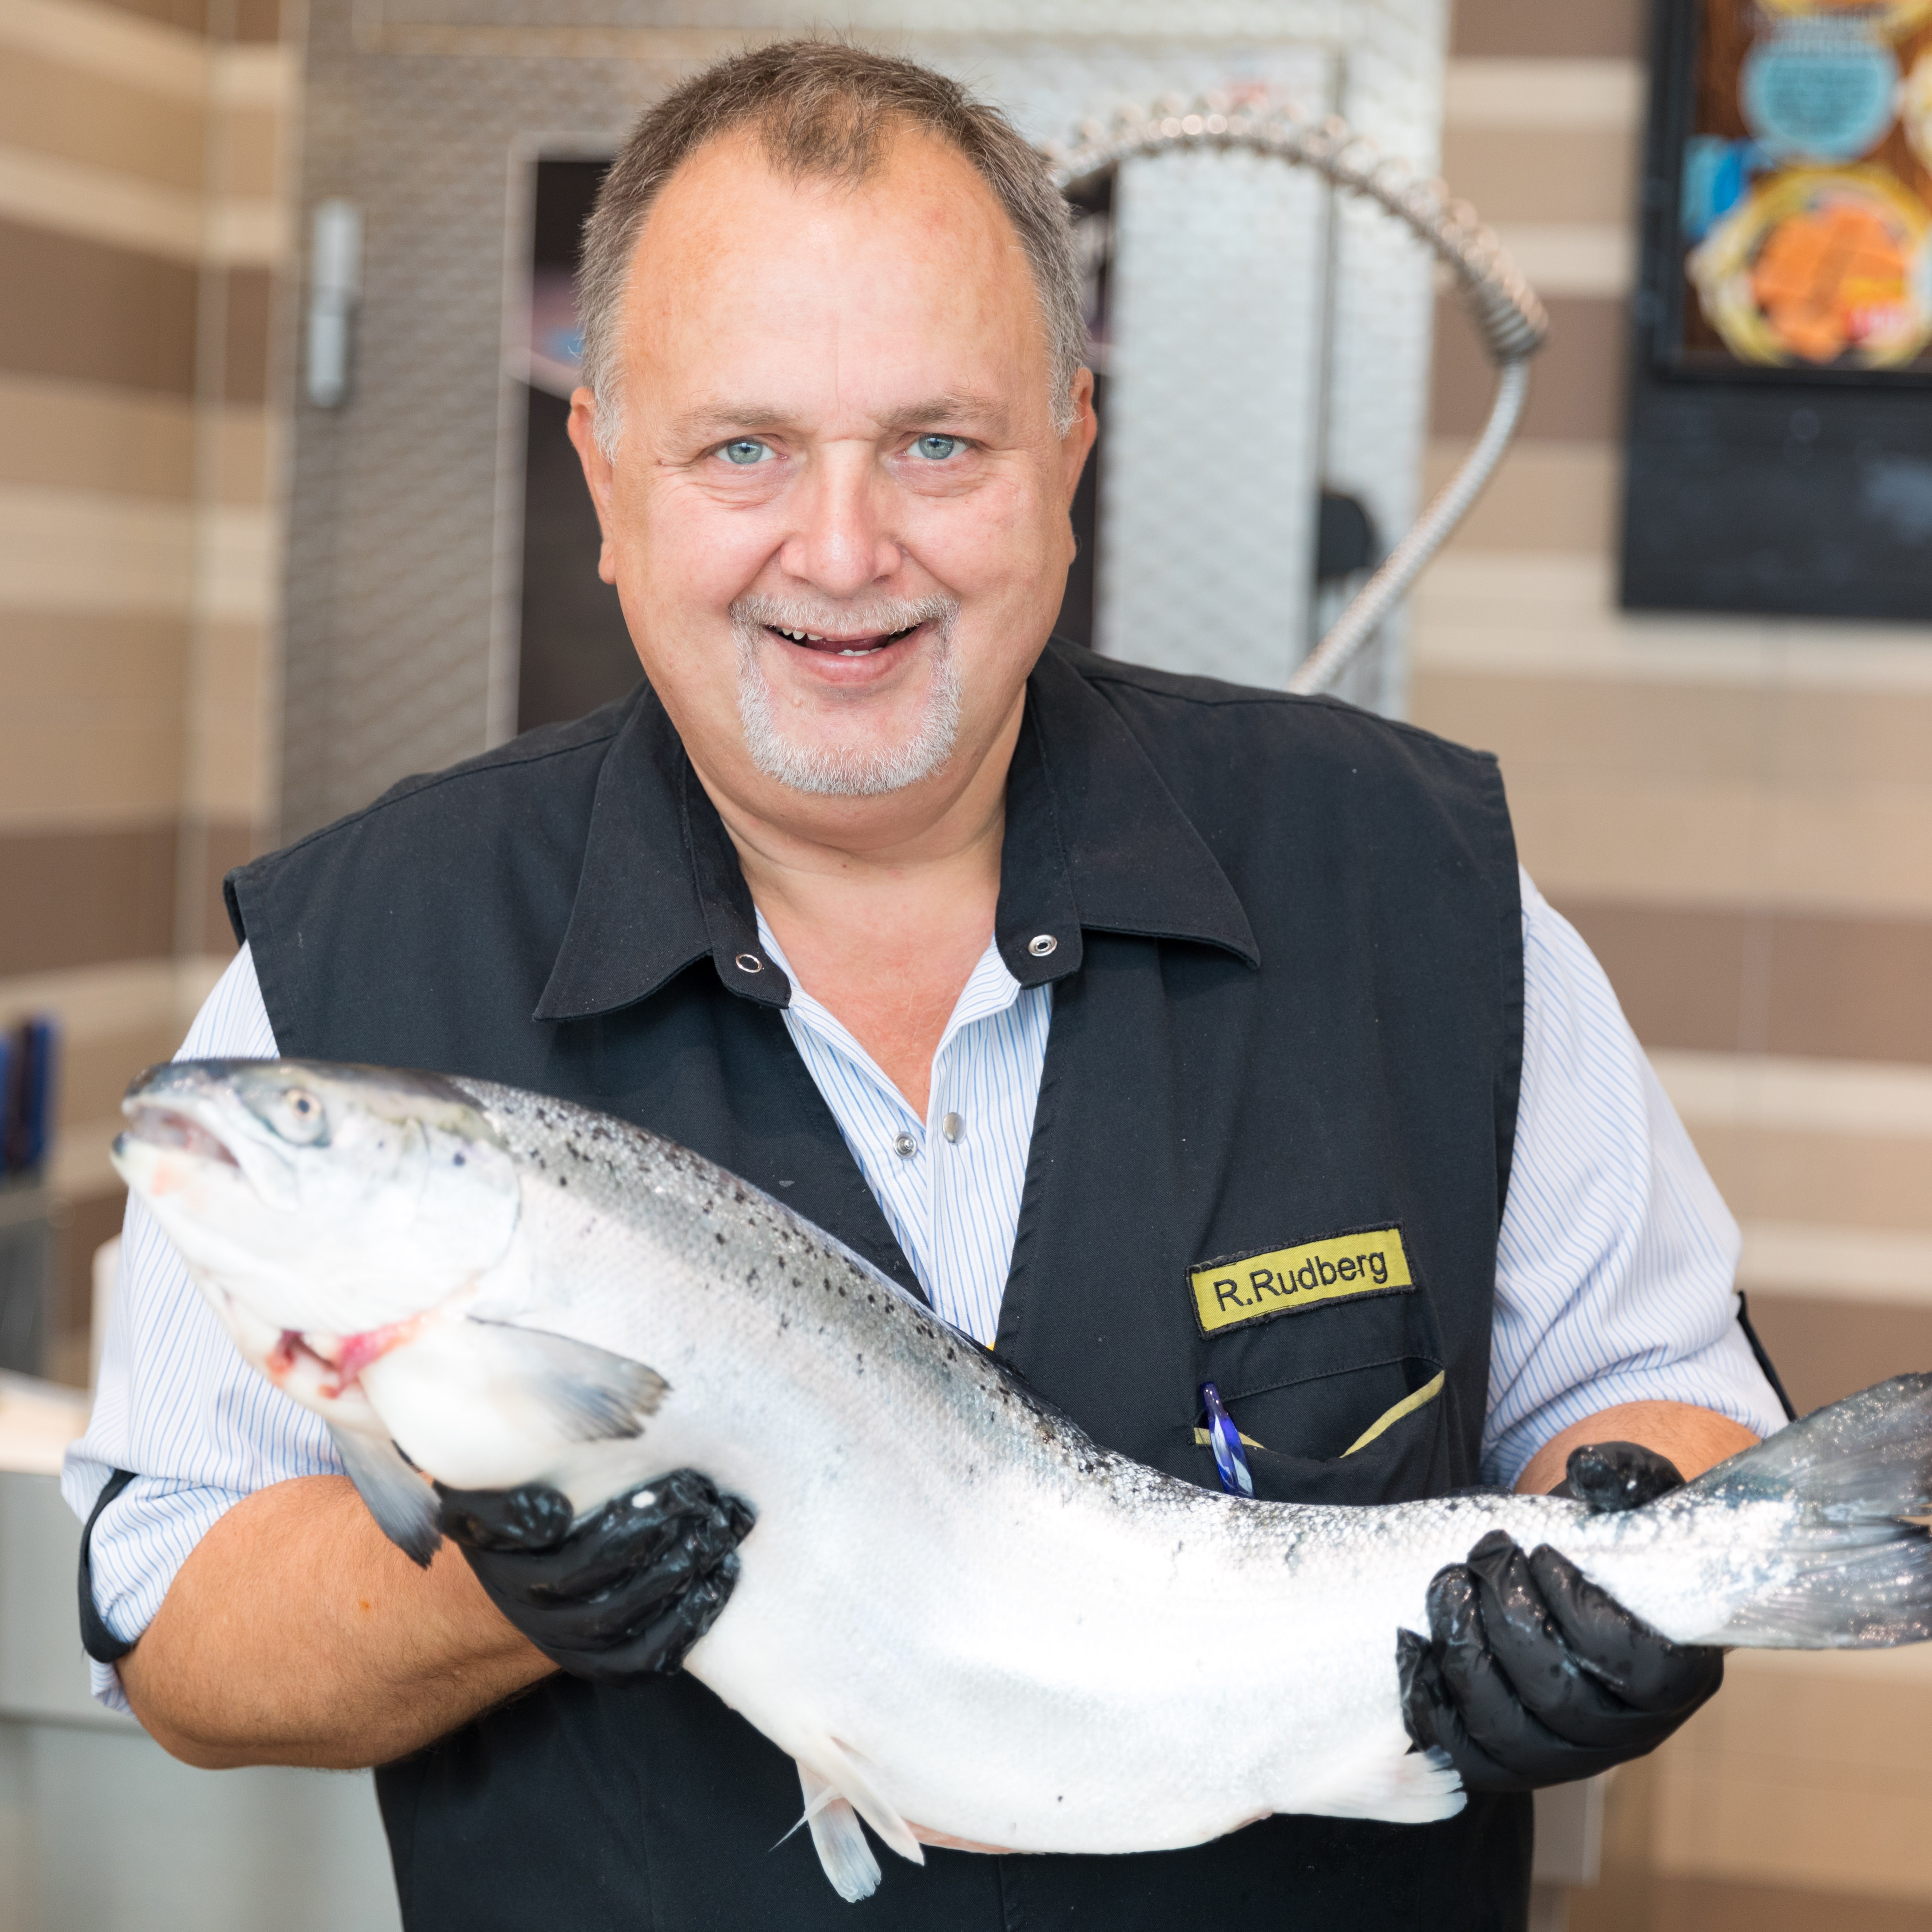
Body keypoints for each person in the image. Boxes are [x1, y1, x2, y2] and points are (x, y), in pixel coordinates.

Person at [64, 41, 1787, 1932]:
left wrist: (1625, 1586)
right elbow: (172, 1614)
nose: (843, 551)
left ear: (1069, 449)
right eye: (744, 448)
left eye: (937, 444)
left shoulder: (1415, 884)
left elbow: (1665, 1400)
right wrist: (490, 1591)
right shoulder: (352, 960)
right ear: (607, 472)